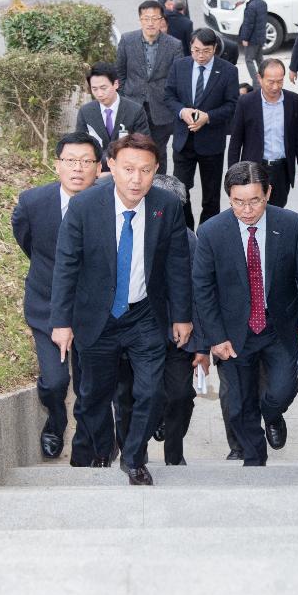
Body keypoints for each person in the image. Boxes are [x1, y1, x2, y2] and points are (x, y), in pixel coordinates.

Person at [49, 135, 194, 485]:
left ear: (156, 170)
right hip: (96, 316)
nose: (136, 179)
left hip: (144, 315)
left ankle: (133, 458)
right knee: (93, 397)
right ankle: (102, 448)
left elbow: (177, 263)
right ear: (109, 166)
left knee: (150, 391)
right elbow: (66, 265)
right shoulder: (85, 207)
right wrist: (61, 322)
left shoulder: (166, 206)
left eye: (145, 170)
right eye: (128, 169)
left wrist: (182, 315)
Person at [193, 161, 298, 466]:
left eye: (254, 200)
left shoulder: (291, 225)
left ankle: (272, 414)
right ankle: (254, 461)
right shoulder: (211, 232)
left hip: (280, 326)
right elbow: (203, 288)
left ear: (268, 193)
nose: (247, 209)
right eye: (238, 201)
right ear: (229, 197)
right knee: (238, 404)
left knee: (283, 390)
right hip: (234, 333)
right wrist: (215, 336)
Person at [11, 131, 102, 464]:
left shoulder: (109, 202)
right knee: (55, 381)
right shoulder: (32, 203)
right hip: (46, 306)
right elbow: (28, 243)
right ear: (57, 165)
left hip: (94, 311)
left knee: (91, 385)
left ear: (98, 167)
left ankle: (87, 438)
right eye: (70, 161)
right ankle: (55, 421)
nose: (77, 169)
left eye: (86, 162)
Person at [112, 174, 208, 466]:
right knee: (126, 396)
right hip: (132, 332)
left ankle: (174, 456)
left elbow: (202, 296)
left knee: (179, 396)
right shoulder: (125, 234)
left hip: (178, 336)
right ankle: (132, 456)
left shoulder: (193, 244)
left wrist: (202, 347)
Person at [164, 28, 239, 230]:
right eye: (196, 50)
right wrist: (182, 111)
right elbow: (169, 96)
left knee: (211, 195)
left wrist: (209, 117)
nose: (200, 56)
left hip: (211, 142)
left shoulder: (228, 70)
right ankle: (186, 231)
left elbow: (232, 105)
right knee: (180, 192)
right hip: (183, 140)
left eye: (206, 51)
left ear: (214, 48)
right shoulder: (179, 66)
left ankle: (207, 233)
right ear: (190, 47)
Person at [226, 58, 298, 209]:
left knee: (277, 210)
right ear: (259, 78)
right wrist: (232, 174)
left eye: (280, 81)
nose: (275, 86)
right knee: (252, 208)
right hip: (253, 168)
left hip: (281, 169)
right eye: (271, 81)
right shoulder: (246, 102)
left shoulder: (294, 101)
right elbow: (236, 141)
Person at [116, 0, 184, 174]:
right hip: (133, 105)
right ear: (140, 20)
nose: (151, 23)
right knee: (132, 150)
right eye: (146, 18)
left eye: (155, 18)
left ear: (162, 20)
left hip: (161, 108)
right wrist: (123, 100)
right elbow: (121, 74)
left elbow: (177, 79)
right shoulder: (127, 40)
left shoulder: (174, 45)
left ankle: (160, 187)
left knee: (158, 152)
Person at [75, 63, 150, 168]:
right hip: (95, 170)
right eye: (94, 89)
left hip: (126, 169)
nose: (99, 94)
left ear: (116, 84)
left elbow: (143, 145)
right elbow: (80, 145)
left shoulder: (135, 111)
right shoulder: (85, 112)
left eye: (103, 88)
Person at [238, 0, 268, 84]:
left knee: (249, 60)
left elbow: (248, 24)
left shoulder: (251, 6)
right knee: (259, 59)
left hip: (252, 39)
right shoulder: (263, 4)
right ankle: (265, 78)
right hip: (261, 37)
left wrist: (245, 38)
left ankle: (256, 81)